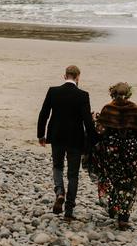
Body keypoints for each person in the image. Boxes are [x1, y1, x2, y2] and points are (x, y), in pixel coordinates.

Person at [85, 82, 137, 230]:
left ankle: (113, 206)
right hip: (130, 150)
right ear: (128, 94)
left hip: (111, 151)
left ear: (112, 94)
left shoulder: (108, 109)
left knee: (113, 179)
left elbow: (100, 131)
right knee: (130, 182)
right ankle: (124, 217)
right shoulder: (135, 109)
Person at [37, 65, 98, 221]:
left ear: (65, 76)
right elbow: (87, 121)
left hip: (56, 136)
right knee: (73, 175)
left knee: (57, 166)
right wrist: (95, 140)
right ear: (78, 77)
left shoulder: (53, 91)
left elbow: (44, 113)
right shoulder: (83, 95)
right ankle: (69, 211)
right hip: (75, 139)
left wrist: (41, 135)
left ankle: (59, 193)